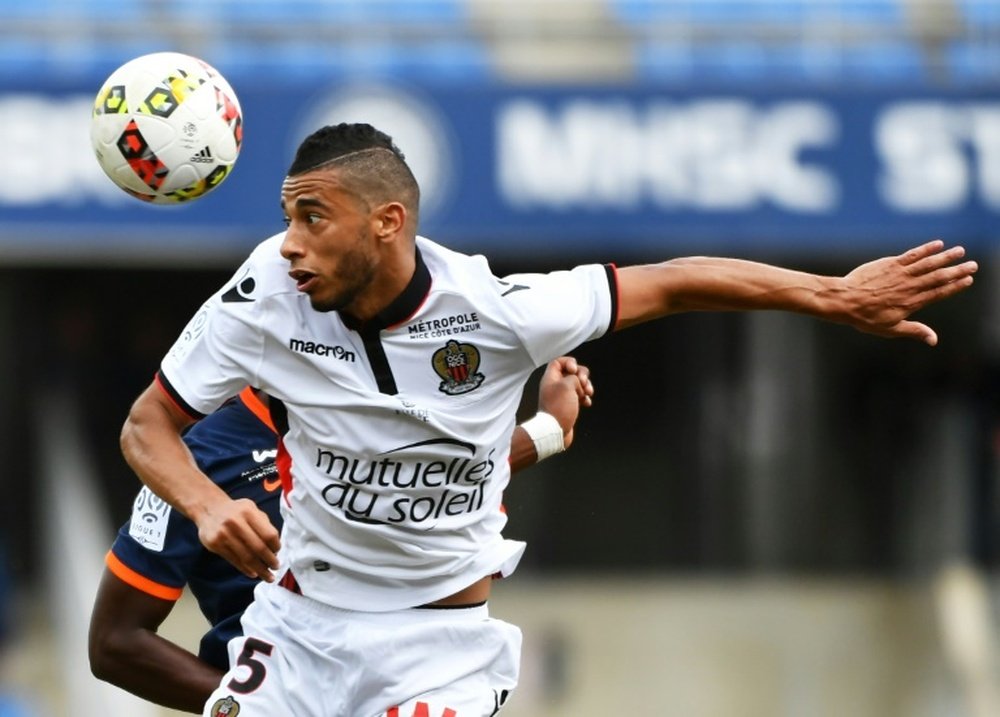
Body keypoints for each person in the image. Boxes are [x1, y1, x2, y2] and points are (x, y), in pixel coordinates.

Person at [118, 123, 977, 717]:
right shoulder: (265, 295)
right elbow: (148, 424)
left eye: (314, 216)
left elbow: (674, 279)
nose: (291, 242)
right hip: (299, 630)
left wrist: (836, 295)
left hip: (434, 644)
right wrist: (204, 502)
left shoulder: (500, 313)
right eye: (286, 217)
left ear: (388, 223)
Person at [90, 357, 593, 713]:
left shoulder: (396, 418)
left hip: (408, 683)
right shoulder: (198, 460)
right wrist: (248, 706)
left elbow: (457, 473)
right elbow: (115, 641)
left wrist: (551, 428)